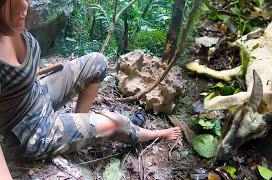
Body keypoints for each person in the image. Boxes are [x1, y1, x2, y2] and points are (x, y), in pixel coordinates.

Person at [0, 0, 181, 178]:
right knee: (114, 124)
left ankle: (79, 127)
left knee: (98, 62)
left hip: (37, 93)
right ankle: (152, 134)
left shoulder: (13, 20)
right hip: (29, 130)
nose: (25, 5)